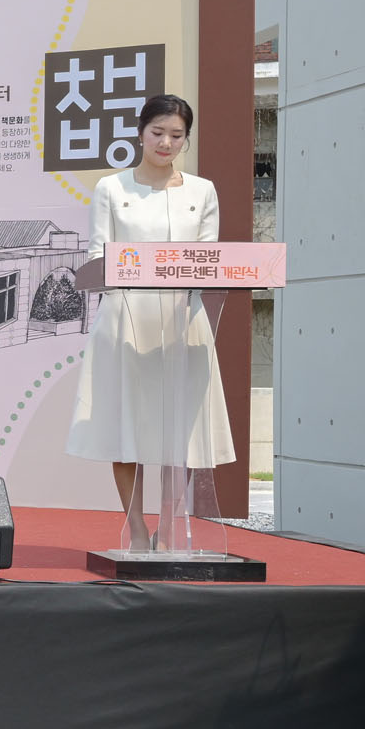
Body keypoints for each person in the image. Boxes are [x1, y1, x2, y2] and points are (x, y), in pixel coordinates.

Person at [67, 93, 235, 549]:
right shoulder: (112, 188)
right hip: (126, 320)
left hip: (184, 321)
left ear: (186, 140)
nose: (165, 143)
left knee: (182, 429)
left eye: (176, 135)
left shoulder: (202, 191)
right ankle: (137, 528)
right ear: (140, 133)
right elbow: (98, 256)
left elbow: (208, 260)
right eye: (157, 132)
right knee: (128, 427)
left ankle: (168, 527)